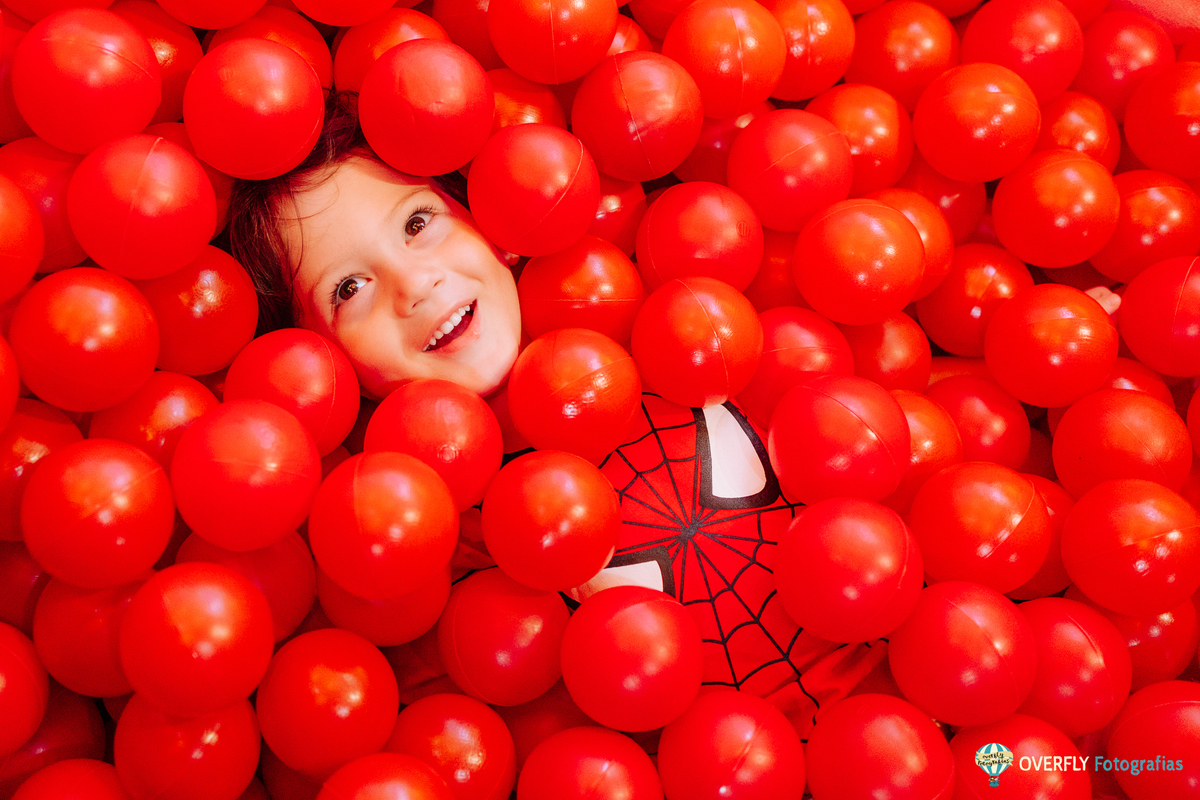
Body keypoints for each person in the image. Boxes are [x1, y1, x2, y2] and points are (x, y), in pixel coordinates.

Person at [229, 91, 884, 736]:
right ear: (322, 369)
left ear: (496, 226)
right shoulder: (428, 555)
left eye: (417, 222)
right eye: (349, 288)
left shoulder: (671, 327)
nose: (414, 283)